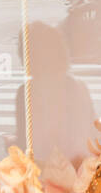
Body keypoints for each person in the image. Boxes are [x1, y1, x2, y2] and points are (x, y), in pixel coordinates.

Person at [13, 20, 95, 167]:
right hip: (81, 170)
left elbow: (25, 144)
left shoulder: (26, 93)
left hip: (46, 174)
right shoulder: (79, 87)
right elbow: (91, 133)